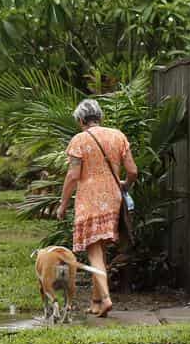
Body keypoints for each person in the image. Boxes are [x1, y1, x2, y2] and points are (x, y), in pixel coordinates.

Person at [56, 98, 138, 317]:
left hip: (89, 199)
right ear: (99, 117)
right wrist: (124, 186)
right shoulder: (117, 136)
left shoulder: (79, 140)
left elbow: (73, 175)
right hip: (113, 197)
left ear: (82, 120)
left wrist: (63, 203)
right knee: (100, 250)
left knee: (93, 252)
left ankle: (106, 299)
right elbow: (132, 171)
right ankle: (95, 302)